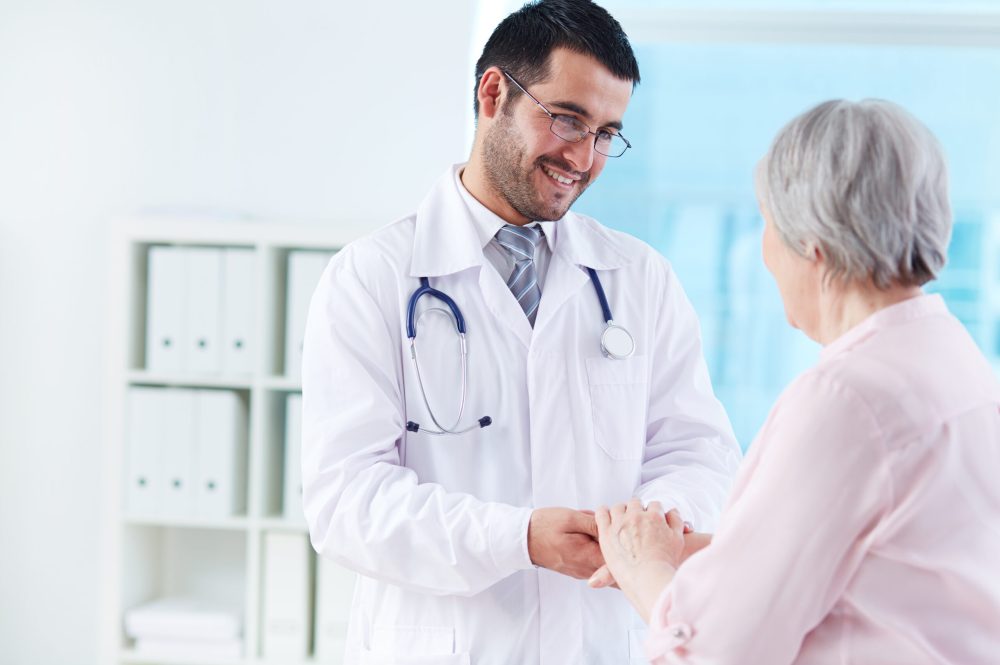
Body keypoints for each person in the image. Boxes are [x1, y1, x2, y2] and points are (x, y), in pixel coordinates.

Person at [300, 1, 741, 663]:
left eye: (606, 133)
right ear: (493, 93)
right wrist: (519, 537)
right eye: (568, 119)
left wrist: (650, 522)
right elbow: (347, 502)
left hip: (600, 642)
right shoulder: (372, 278)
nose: (584, 157)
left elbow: (700, 452)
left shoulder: (639, 278)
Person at [591, 99, 1000, 664]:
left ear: (813, 243)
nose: (763, 251)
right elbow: (887, 569)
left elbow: (714, 652)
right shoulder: (956, 362)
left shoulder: (848, 400)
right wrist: (712, 557)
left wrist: (645, 570)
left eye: (767, 223)